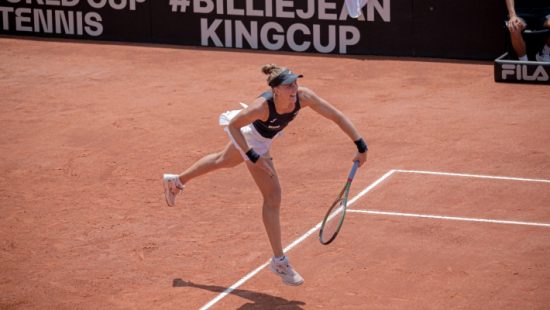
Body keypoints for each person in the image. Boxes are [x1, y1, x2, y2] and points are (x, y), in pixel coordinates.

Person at [162, 64, 368, 286]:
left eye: (295, 83)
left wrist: (361, 144)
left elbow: (335, 116)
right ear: (276, 90)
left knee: (224, 160)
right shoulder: (260, 107)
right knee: (273, 197)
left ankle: (176, 181)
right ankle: (279, 261)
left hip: (264, 137)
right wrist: (252, 156)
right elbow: (233, 126)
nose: (294, 89)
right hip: (251, 139)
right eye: (289, 85)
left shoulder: (304, 96)